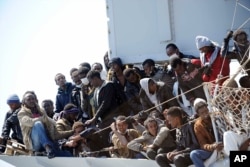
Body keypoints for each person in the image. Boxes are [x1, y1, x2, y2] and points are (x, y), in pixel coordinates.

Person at [18, 91, 74, 158]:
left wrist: (72, 132)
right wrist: (42, 119)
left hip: (48, 143)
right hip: (35, 144)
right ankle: (47, 148)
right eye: (28, 99)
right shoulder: (21, 113)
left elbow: (56, 133)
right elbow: (30, 122)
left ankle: (48, 149)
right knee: (37, 124)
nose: (31, 101)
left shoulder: (42, 111)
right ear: (24, 102)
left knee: (68, 155)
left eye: (33, 99)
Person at [190, 98, 224, 167]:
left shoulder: (217, 115)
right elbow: (203, 144)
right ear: (198, 114)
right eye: (202, 113)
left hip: (223, 141)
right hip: (212, 147)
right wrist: (212, 146)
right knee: (193, 154)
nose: (205, 114)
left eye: (206, 111)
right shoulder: (197, 125)